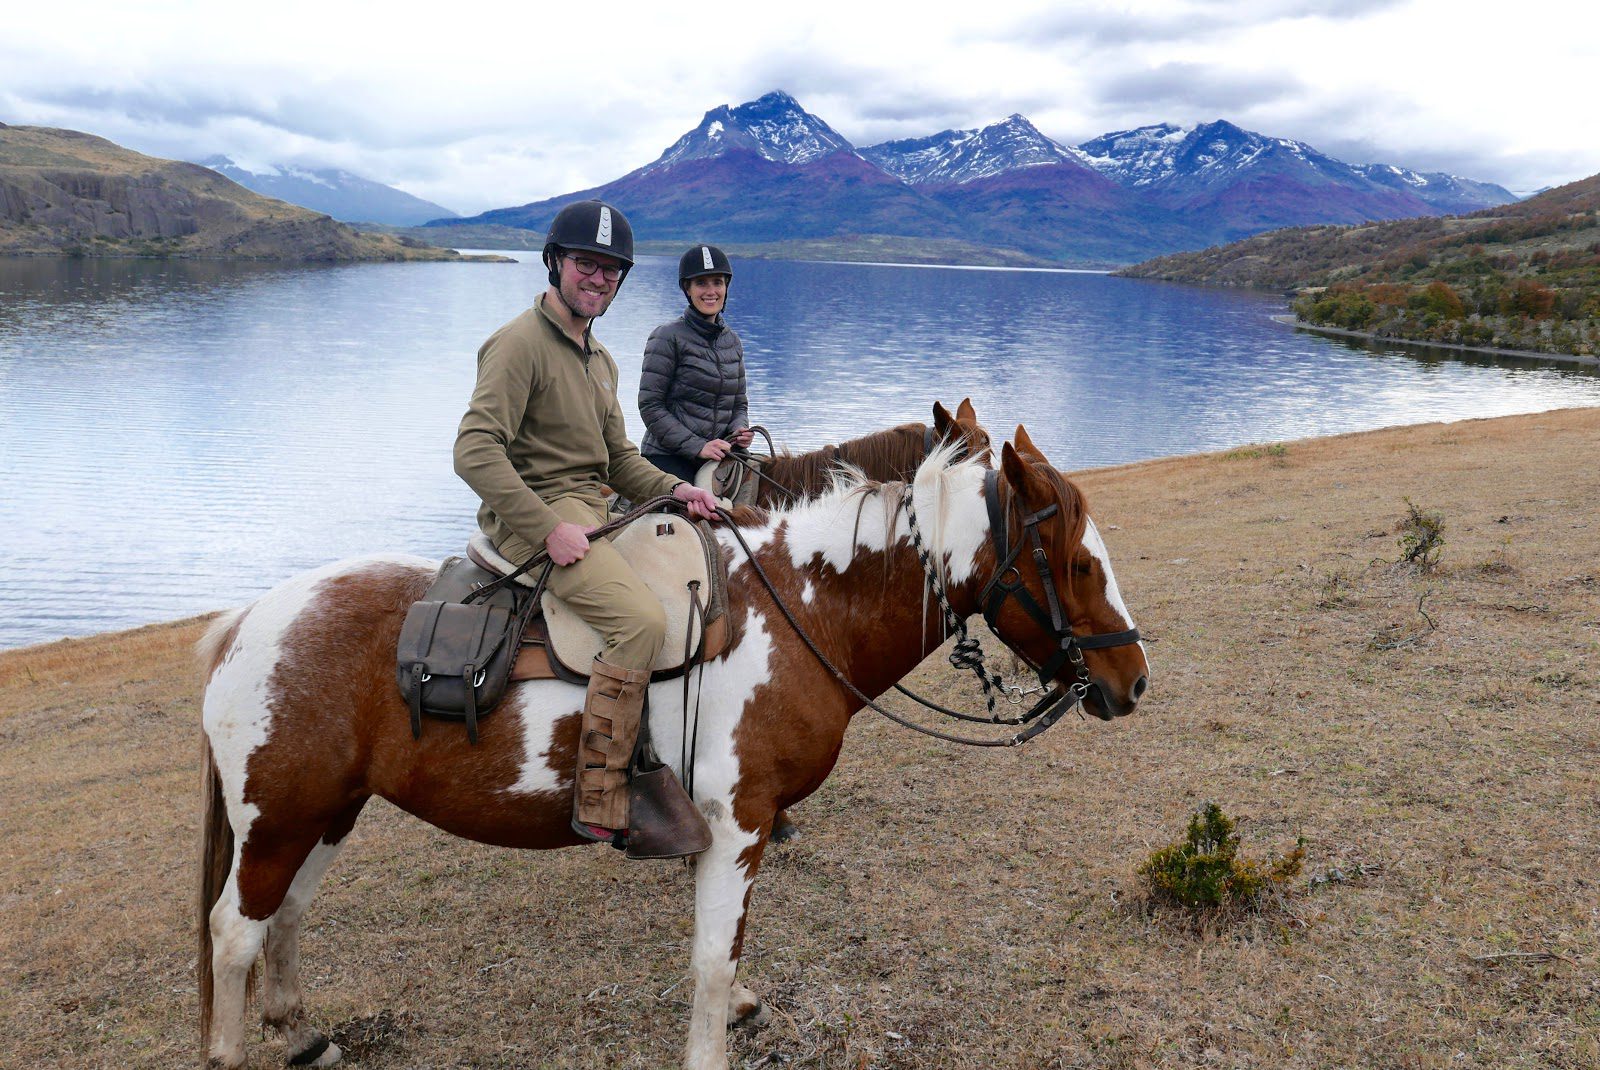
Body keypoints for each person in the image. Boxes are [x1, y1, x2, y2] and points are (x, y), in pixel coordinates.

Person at [453, 199, 718, 861]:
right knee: (639, 622)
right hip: (537, 519)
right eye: (586, 265)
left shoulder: (600, 359)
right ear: (556, 263)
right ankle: (601, 797)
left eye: (610, 271)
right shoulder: (518, 345)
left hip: (592, 512)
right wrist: (546, 531)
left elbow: (620, 461)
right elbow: (474, 450)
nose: (598, 279)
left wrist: (677, 490)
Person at [638, 244, 754, 485]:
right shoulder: (667, 337)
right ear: (687, 289)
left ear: (726, 287)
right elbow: (651, 406)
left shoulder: (732, 341)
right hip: (668, 456)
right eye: (701, 283)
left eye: (717, 282)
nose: (711, 291)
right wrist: (698, 447)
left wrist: (739, 431)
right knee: (679, 518)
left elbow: (739, 404)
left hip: (720, 454)